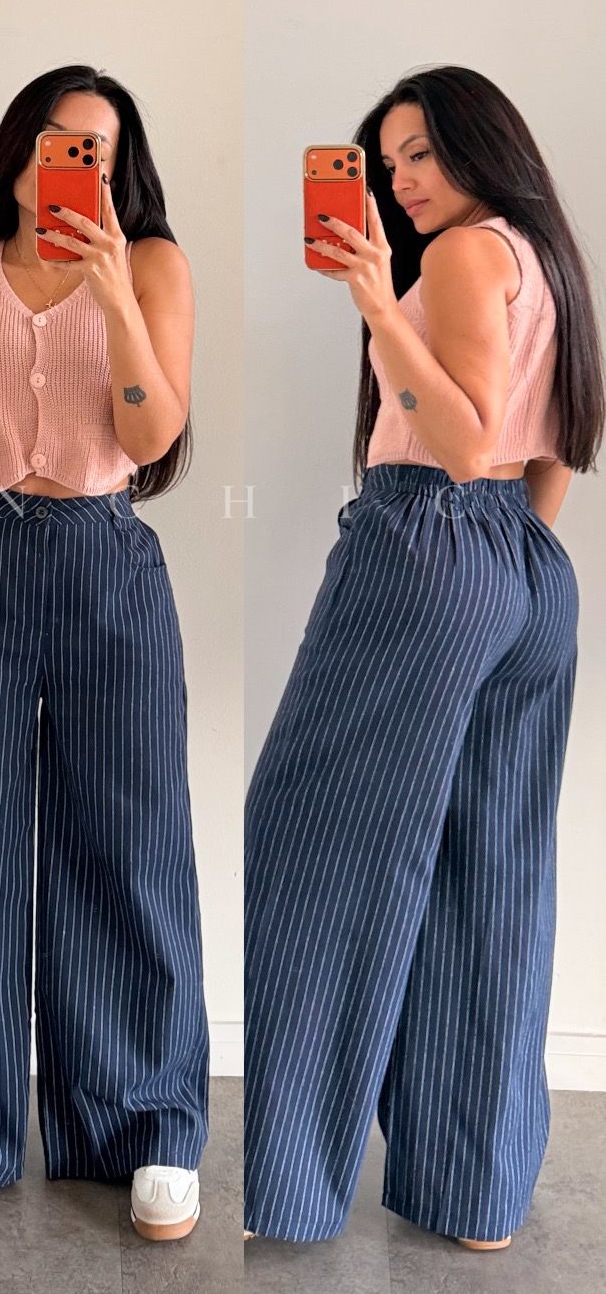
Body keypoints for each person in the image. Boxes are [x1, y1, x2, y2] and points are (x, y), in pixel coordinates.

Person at [242, 65, 605, 1253]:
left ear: (478, 146)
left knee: (310, 846)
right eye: (386, 158)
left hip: (427, 541)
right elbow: (555, 441)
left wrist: (370, 298)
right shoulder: (541, 255)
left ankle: (284, 1187)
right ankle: (472, 1192)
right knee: (486, 872)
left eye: (419, 154)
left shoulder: (454, 255)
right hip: (525, 568)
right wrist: (501, 569)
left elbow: (457, 438)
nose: (398, 180)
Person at [0, 65, 209, 1247]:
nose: (71, 163)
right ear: (16, 148)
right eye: (54, 140)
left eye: (96, 151)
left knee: (128, 840)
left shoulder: (154, 265)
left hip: (106, 558)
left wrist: (112, 291)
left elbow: (152, 435)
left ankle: (143, 1120)